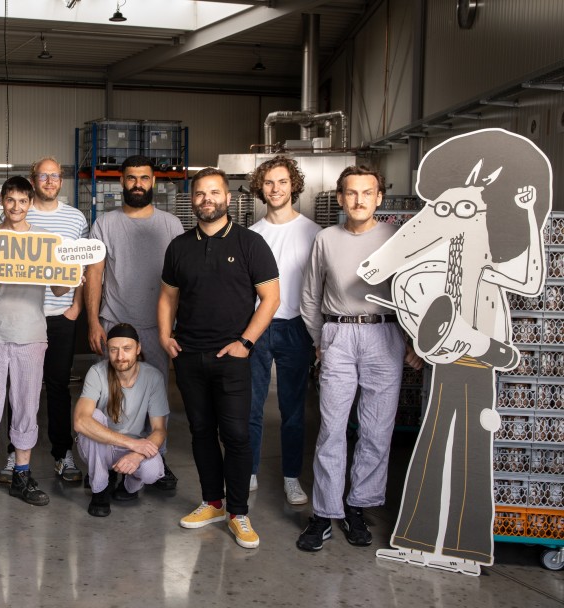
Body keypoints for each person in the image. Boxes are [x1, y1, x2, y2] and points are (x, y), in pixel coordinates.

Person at [296, 165, 418, 552]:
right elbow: (311, 295)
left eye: (368, 192)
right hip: (339, 334)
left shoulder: (397, 238)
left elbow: (416, 293)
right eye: (351, 192)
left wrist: (414, 341)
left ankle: (357, 507)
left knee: (376, 430)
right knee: (332, 429)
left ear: (379, 198)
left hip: (385, 334)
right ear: (340, 198)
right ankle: (323, 513)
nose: (359, 199)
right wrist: (321, 339)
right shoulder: (326, 239)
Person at [158, 167, 279, 549]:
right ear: (192, 199)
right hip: (189, 356)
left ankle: (238, 512)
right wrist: (165, 335)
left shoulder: (250, 243)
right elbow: (167, 296)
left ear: (228, 198)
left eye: (214, 192)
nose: (206, 199)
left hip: (232, 357)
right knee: (200, 432)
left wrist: (246, 341)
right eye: (199, 193)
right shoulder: (179, 246)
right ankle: (211, 501)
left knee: (237, 435)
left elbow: (271, 298)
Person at [0, 176, 70, 510]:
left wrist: (71, 275)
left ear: (30, 203)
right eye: (11, 200)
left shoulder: (45, 243)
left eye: (23, 201)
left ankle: (22, 474)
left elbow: (61, 290)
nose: (17, 207)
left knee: (26, 406)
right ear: (2, 201)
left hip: (31, 333)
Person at [84, 154, 183, 490]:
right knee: (110, 397)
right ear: (121, 182)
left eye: (143, 178)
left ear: (153, 182)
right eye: (131, 178)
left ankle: (156, 457)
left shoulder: (171, 225)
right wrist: (94, 322)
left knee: (156, 399)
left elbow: (180, 282)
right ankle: (110, 462)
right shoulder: (104, 224)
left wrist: (173, 327)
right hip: (114, 323)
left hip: (157, 328)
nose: (137, 184)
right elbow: (94, 275)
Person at [0, 157, 89, 484]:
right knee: (20, 388)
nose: (49, 181)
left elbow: (83, 266)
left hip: (60, 315)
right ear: (33, 179)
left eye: (54, 175)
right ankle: (14, 452)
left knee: (58, 386)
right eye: (42, 175)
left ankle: (62, 454)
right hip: (24, 316)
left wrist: (76, 307)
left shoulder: (76, 219)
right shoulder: (19, 213)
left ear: (61, 180)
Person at [246, 156, 320, 504]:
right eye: (269, 183)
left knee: (293, 410)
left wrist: (318, 335)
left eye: (282, 182)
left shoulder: (313, 233)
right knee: (251, 406)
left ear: (294, 186)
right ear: (261, 188)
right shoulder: (252, 236)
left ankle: (292, 477)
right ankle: (249, 471)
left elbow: (320, 288)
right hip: (258, 327)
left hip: (296, 329)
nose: (275, 189)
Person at [74, 324, 169, 517]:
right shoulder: (97, 372)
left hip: (132, 449)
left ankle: (130, 486)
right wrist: (133, 443)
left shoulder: (153, 377)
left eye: (127, 349)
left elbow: (159, 430)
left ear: (138, 349)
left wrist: (138, 454)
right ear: (107, 350)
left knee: (152, 471)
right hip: (101, 448)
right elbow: (80, 421)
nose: (120, 357)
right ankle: (100, 489)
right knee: (93, 416)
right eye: (114, 350)